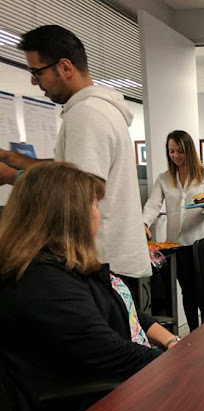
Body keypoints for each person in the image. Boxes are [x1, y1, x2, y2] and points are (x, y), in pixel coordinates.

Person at [0, 163, 179, 411]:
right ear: (71, 216)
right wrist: (172, 364)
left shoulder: (68, 267)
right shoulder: (44, 281)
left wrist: (172, 342)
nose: (98, 214)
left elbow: (128, 311)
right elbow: (110, 352)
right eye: (95, 206)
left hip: (118, 393)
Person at [0, 25, 151, 292]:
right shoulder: (97, 109)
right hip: (107, 261)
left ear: (65, 67)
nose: (34, 82)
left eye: (37, 72)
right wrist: (12, 158)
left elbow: (80, 192)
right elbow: (68, 170)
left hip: (101, 261)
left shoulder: (87, 114)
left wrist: (14, 176)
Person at [143, 130, 204, 331]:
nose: (176, 155)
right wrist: (144, 223)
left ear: (189, 150)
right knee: (187, 292)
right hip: (177, 244)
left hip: (202, 243)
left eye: (180, 151)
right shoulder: (164, 178)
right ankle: (194, 331)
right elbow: (153, 204)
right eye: (171, 151)